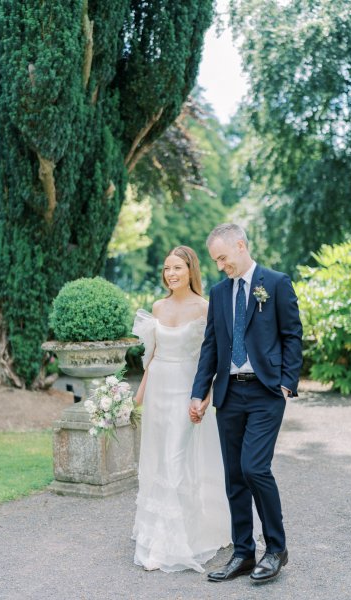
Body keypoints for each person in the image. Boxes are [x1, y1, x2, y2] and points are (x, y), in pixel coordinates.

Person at [190, 223, 302, 585]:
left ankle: (275, 548)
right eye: (216, 261)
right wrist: (199, 392)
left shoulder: (276, 283)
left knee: (255, 468)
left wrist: (286, 384)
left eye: (223, 257)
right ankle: (242, 552)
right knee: (234, 476)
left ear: (240, 246)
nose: (221, 265)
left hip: (266, 391)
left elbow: (292, 335)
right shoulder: (220, 293)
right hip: (229, 394)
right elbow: (211, 345)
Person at [132, 245, 231, 573]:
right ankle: (158, 532)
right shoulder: (158, 307)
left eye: (177, 268)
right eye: (166, 268)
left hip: (187, 390)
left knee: (177, 458)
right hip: (159, 388)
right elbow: (153, 355)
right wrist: (136, 397)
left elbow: (214, 358)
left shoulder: (205, 307)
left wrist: (204, 398)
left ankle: (168, 543)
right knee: (159, 460)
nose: (170, 274)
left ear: (190, 270)